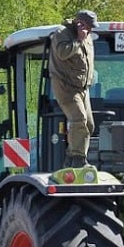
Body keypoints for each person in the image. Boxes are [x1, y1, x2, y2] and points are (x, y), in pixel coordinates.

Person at [49, 10, 99, 168]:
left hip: (83, 88)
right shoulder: (61, 33)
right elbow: (62, 53)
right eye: (88, 26)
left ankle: (70, 157)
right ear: (79, 23)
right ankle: (78, 160)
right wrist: (79, 40)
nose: (90, 30)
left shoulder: (88, 37)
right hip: (66, 86)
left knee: (89, 125)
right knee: (79, 120)